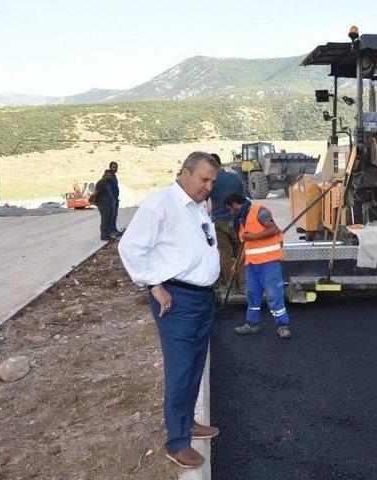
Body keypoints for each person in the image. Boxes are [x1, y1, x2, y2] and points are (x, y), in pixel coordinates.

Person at [117, 152, 221, 469]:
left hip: (202, 298)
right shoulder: (160, 204)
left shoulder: (197, 206)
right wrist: (153, 284)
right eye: (204, 179)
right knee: (180, 368)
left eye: (213, 182)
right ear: (184, 173)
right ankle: (177, 442)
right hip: (178, 300)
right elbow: (130, 247)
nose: (209, 186)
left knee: (194, 365)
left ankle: (187, 421)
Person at [223, 192, 291, 339]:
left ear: (235, 205)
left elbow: (274, 229)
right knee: (252, 295)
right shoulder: (241, 220)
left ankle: (282, 326)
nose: (229, 212)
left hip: (269, 262)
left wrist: (252, 237)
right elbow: (245, 247)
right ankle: (252, 324)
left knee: (274, 294)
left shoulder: (259, 211)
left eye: (229, 209)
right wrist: (237, 265)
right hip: (252, 265)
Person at [207, 153, 247, 286]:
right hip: (236, 221)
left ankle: (230, 284)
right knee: (240, 251)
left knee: (225, 254)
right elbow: (244, 200)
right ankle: (242, 282)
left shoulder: (211, 181)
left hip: (219, 221)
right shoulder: (235, 177)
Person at [93, 170, 117, 241]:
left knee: (108, 220)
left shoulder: (107, 182)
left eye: (111, 176)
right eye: (109, 175)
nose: (110, 177)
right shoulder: (100, 183)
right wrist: (98, 203)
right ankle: (103, 235)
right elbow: (96, 194)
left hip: (109, 205)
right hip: (104, 205)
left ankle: (107, 234)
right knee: (105, 220)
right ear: (105, 175)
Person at [108, 161, 121, 235]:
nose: (115, 169)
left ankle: (114, 229)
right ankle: (111, 231)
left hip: (115, 199)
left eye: (116, 167)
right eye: (113, 167)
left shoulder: (114, 176)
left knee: (115, 215)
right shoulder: (108, 176)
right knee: (111, 215)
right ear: (110, 167)